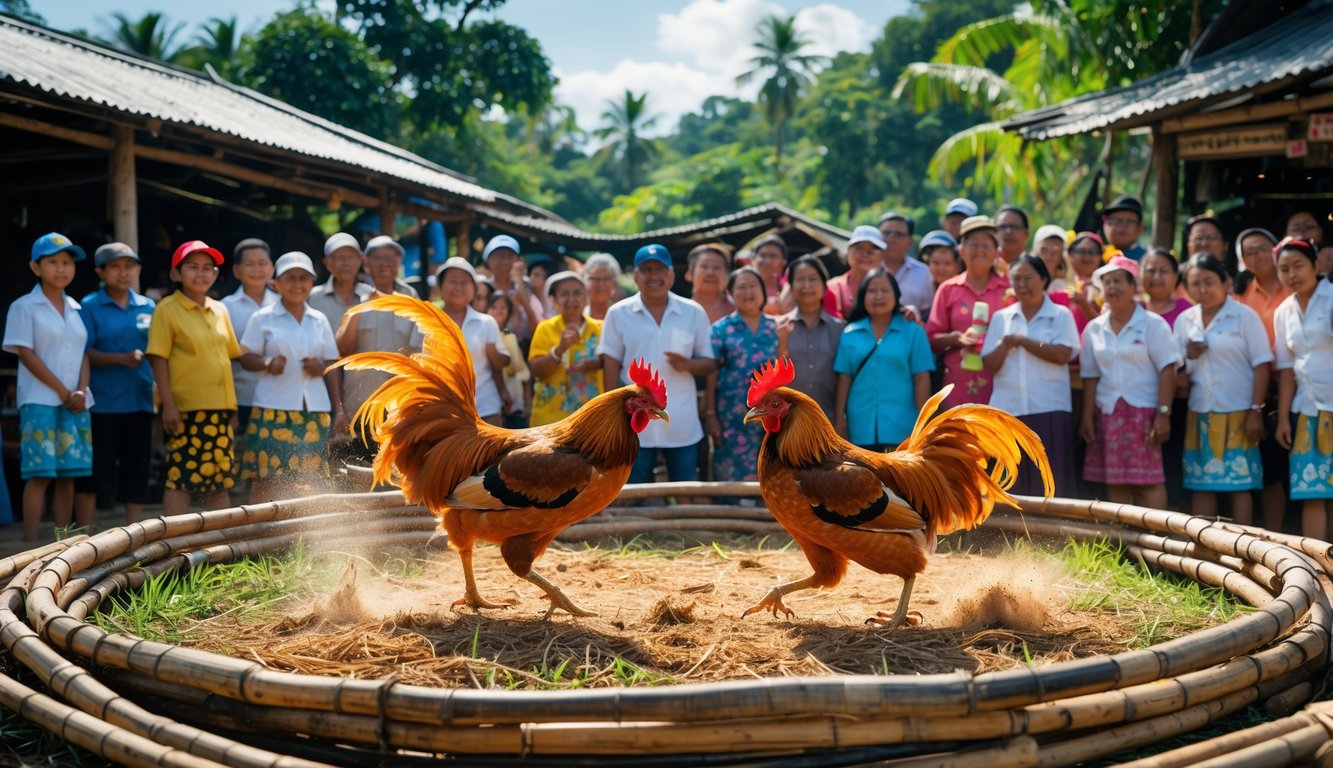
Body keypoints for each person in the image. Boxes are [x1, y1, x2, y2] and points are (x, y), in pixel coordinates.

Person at [598, 244, 716, 485]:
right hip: (634, 421)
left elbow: (709, 363)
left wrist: (689, 365)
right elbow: (610, 363)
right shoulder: (618, 313)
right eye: (646, 270)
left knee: (684, 489)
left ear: (671, 274)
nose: (654, 276)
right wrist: (611, 413)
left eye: (660, 269)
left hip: (680, 418)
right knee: (634, 489)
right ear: (635, 276)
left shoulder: (693, 312)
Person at [3, 233, 93, 542]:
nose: (61, 269)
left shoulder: (77, 308)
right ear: (35, 266)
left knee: (69, 474)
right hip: (41, 400)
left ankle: (63, 542)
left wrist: (81, 390)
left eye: (67, 262)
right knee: (40, 473)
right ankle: (29, 543)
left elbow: (84, 353)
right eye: (52, 262)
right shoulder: (24, 306)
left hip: (76, 401)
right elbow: (26, 353)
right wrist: (62, 391)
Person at [146, 240, 241, 517]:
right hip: (186, 409)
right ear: (177, 274)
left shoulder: (220, 309)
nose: (201, 273)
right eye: (192, 267)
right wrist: (168, 405)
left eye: (207, 268)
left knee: (219, 482)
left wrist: (231, 408)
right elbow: (158, 358)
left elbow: (227, 359)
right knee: (181, 479)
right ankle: (173, 544)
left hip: (221, 409)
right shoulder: (166, 309)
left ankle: (221, 545)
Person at [237, 252, 341, 503]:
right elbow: (245, 357)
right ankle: (259, 535)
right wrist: (267, 363)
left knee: (311, 474)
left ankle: (304, 533)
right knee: (267, 475)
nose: (297, 284)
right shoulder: (262, 318)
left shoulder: (319, 319)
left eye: (304, 278)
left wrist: (321, 369)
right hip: (273, 408)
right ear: (277, 284)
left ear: (311, 284)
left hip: (314, 409)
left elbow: (332, 362)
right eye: (290, 278)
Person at [1174, 253, 1270, 525]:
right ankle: (1202, 549)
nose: (1202, 290)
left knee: (1238, 484)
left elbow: (1262, 364)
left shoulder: (1244, 316)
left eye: (1208, 282)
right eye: (1195, 284)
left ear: (1226, 282)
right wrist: (1188, 357)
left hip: (1238, 411)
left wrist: (1256, 410)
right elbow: (1176, 369)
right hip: (1200, 411)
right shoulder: (1185, 319)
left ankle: (1244, 547)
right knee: (1201, 482)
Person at [1079, 255, 1180, 509]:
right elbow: (1090, 375)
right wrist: (1087, 416)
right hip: (1108, 411)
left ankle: (1156, 538)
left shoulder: (1152, 324)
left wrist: (1163, 413)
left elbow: (1168, 368)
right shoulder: (1094, 328)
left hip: (1144, 411)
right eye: (1107, 282)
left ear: (1134, 287)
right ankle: (1122, 543)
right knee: (1116, 481)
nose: (1112, 287)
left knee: (1150, 482)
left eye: (1118, 281)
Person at [981, 256, 1080, 497]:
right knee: (1010, 476)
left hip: (1049, 405)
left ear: (1043, 279)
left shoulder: (1060, 315)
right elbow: (989, 364)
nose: (1022, 284)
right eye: (1017, 279)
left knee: (1050, 475)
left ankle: (1055, 530)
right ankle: (1011, 530)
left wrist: (1023, 341)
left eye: (1028, 278)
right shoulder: (1001, 318)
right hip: (1008, 408)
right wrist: (1006, 344)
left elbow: (1063, 354)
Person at [74, 242, 155, 527]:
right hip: (103, 402)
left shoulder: (148, 306)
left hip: (141, 399)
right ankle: (82, 535)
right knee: (96, 471)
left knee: (137, 468)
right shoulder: (89, 305)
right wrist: (122, 358)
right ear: (100, 271)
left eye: (129, 266)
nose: (123, 273)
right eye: (115, 267)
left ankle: (134, 531)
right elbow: (84, 352)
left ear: (138, 269)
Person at [335, 235, 423, 463]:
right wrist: (360, 306)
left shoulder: (412, 299)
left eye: (391, 257)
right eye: (379, 257)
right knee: (359, 466)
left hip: (399, 402)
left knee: (396, 465)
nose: (385, 263)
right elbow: (343, 347)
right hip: (360, 400)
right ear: (366, 261)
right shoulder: (355, 296)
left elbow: (417, 350)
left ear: (399, 262)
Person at [832, 269, 933, 450]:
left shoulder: (914, 332)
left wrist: (922, 422)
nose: (878, 296)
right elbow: (844, 379)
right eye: (872, 291)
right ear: (863, 296)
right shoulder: (850, 333)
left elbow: (921, 378)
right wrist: (840, 421)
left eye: (885, 290)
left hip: (903, 425)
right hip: (860, 424)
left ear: (896, 295)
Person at [1273, 237, 1333, 538]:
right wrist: (1283, 418)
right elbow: (1286, 370)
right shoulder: (1283, 312)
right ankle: (1318, 567)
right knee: (1312, 488)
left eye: (1298, 265)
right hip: (1305, 409)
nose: (1291, 274)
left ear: (1317, 265)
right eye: (1284, 269)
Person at [1234, 227, 1292, 530]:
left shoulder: (1295, 285)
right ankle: (1273, 534)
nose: (1255, 256)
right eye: (1248, 252)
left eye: (1261, 248)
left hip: (1294, 385)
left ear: (1275, 249)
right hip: (1255, 389)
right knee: (1267, 468)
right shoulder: (1240, 292)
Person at [926, 215, 1011, 410]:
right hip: (957, 382)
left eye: (986, 245)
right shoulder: (948, 289)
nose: (980, 251)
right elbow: (931, 337)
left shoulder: (1009, 288)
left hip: (1001, 382)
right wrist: (955, 338)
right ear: (961, 250)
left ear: (996, 252)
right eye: (973, 244)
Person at [705, 267, 778, 482]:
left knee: (770, 468)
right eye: (741, 287)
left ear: (763, 291)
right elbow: (711, 372)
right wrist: (710, 414)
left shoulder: (777, 326)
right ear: (730, 294)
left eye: (752, 286)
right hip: (730, 413)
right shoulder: (720, 329)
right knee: (730, 472)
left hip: (769, 415)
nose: (748, 292)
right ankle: (732, 514)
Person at [1142, 247, 1193, 510]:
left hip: (1180, 402)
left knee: (1174, 461)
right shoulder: (1134, 310)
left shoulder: (1189, 311)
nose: (1156, 277)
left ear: (1176, 276)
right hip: (1139, 403)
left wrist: (1183, 377)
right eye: (1150, 270)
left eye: (1164, 271)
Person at [437, 257, 510, 425]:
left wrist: (493, 352)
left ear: (473, 289)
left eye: (464, 282)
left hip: (485, 408)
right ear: (440, 287)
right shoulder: (426, 320)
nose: (458, 287)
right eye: (453, 281)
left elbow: (499, 365)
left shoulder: (486, 322)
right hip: (441, 411)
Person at [528, 271, 603, 427]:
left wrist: (592, 364)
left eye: (577, 293)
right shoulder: (545, 328)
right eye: (564, 294)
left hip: (590, 420)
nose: (571, 299)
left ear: (586, 297)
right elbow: (536, 370)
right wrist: (559, 349)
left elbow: (612, 363)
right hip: (550, 421)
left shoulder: (600, 328)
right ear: (554, 300)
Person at [221, 239, 278, 436]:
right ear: (237, 270)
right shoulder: (224, 308)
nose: (257, 270)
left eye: (262, 263)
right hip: (241, 398)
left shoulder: (285, 304)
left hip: (279, 399)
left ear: (272, 268)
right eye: (250, 264)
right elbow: (222, 359)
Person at [775, 257, 843, 420]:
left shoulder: (841, 329)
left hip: (828, 419)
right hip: (789, 420)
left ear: (824, 285)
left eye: (813, 279)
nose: (807, 285)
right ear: (790, 287)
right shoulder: (778, 327)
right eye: (800, 279)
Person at [481, 235, 543, 343]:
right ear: (487, 261)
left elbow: (538, 331)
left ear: (518, 261)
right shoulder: (481, 288)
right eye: (499, 255)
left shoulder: (528, 286)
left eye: (509, 256)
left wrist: (521, 292)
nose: (504, 260)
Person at [308, 232, 371, 333]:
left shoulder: (371, 295)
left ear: (360, 260)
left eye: (350, 257)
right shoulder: (313, 297)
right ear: (327, 263)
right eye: (339, 257)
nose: (346, 263)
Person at [487, 292, 532, 429]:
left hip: (514, 402)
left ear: (509, 312)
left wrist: (527, 402)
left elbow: (520, 370)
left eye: (502, 307)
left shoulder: (510, 337)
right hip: (489, 402)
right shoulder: (482, 335)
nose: (498, 311)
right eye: (494, 307)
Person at [878, 212, 933, 317]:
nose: (892, 238)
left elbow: (928, 314)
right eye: (887, 233)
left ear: (910, 241)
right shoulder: (868, 269)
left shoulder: (924, 272)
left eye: (898, 234)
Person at [825, 225, 885, 319]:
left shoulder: (892, 288)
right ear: (848, 251)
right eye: (859, 248)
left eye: (871, 250)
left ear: (882, 255)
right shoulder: (831, 287)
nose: (865, 254)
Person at [683, 243, 734, 323]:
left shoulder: (742, 309)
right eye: (704, 266)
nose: (710, 273)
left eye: (717, 267)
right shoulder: (679, 312)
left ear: (728, 275)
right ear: (689, 274)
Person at [748, 235, 788, 315]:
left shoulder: (787, 288)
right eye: (763, 255)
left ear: (783, 262)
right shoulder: (738, 286)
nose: (767, 261)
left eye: (773, 256)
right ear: (753, 259)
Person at [920, 230, 962, 302]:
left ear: (957, 265)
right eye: (936, 263)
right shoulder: (918, 291)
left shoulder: (963, 292)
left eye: (947, 263)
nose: (941, 269)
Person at [1101, 195, 1147, 262]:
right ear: (1105, 226)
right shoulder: (1095, 257)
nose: (1122, 226)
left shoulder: (1148, 261)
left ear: (1141, 228)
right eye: (1116, 220)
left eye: (1129, 221)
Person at [582, 253, 623, 320]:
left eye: (606, 279)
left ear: (614, 283)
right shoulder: (577, 316)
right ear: (585, 281)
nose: (601, 284)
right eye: (596, 279)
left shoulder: (622, 317)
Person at [1032, 224, 1070, 293]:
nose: (1049, 256)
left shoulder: (1068, 287)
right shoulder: (1021, 281)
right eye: (1044, 250)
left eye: (1055, 251)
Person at [994, 205, 1031, 271]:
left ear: (1026, 233)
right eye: (1003, 226)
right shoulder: (986, 266)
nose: (1008, 231)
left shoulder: (1035, 268)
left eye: (1014, 226)